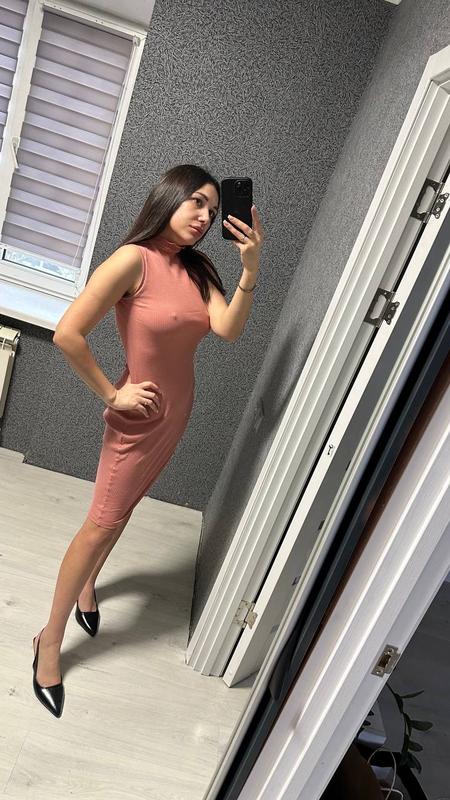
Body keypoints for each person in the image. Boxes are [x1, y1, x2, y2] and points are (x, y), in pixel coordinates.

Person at [32, 164, 264, 717]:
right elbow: (68, 333)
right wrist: (114, 395)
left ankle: (89, 587)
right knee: (100, 523)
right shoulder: (132, 260)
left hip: (175, 416)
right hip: (137, 420)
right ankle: (48, 640)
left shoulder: (199, 269)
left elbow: (228, 329)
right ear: (170, 197)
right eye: (196, 202)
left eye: (213, 209)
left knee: (124, 510)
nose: (205, 217)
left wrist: (250, 268)